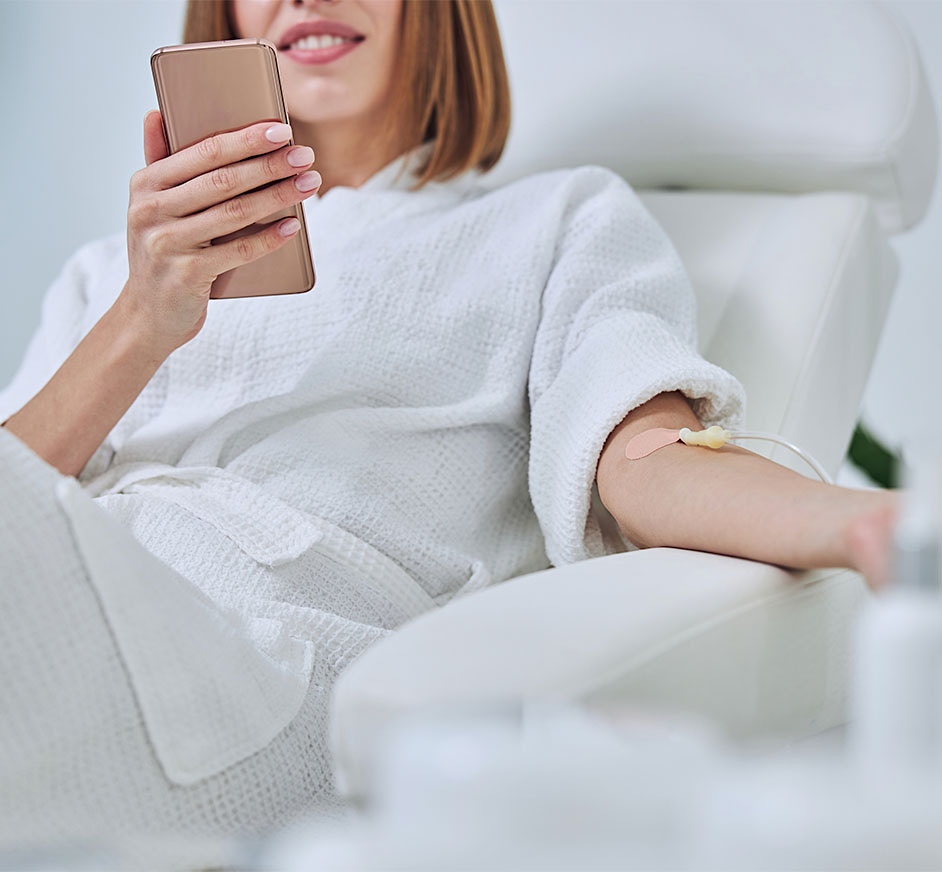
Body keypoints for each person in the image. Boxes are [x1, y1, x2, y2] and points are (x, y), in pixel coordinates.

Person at [0, 0, 897, 854]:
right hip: (73, 613)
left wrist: (869, 525)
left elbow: (646, 461)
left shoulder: (552, 222)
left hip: (261, 676)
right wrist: (140, 321)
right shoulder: (121, 274)